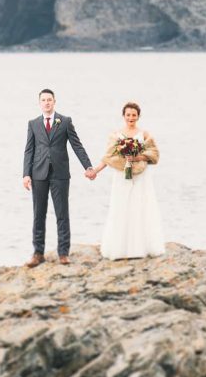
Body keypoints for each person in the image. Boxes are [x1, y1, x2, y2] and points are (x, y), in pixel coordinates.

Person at [22, 89, 96, 267]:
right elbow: (29, 150)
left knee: (62, 214)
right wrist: (26, 174)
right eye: (43, 100)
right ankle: (38, 253)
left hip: (60, 174)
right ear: (39, 103)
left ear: (54, 102)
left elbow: (77, 146)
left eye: (49, 100)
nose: (46, 103)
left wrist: (88, 166)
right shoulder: (33, 123)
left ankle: (63, 253)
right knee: (38, 214)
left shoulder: (65, 122)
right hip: (38, 174)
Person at [90, 102, 165, 260]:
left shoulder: (144, 134)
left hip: (140, 176)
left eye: (134, 115)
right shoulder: (116, 135)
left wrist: (137, 157)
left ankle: (141, 247)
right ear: (123, 116)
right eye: (128, 115)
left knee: (140, 206)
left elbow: (154, 154)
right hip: (121, 175)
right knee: (121, 206)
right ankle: (119, 247)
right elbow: (108, 156)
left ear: (138, 116)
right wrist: (96, 170)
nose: (131, 118)